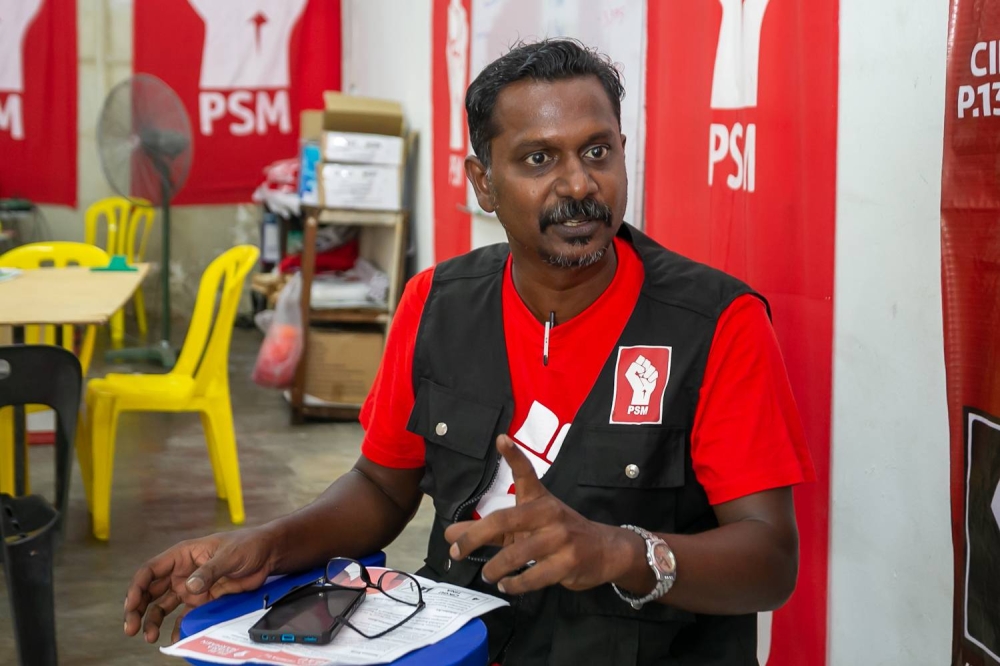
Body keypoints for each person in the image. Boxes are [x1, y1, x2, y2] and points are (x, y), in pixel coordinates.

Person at [124, 38, 815, 665]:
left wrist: (619, 551)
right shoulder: (436, 304)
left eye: (597, 151)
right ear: (483, 183)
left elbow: (769, 560)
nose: (577, 185)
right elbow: (380, 487)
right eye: (539, 159)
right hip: (459, 649)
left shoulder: (717, 323)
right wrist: (268, 546)